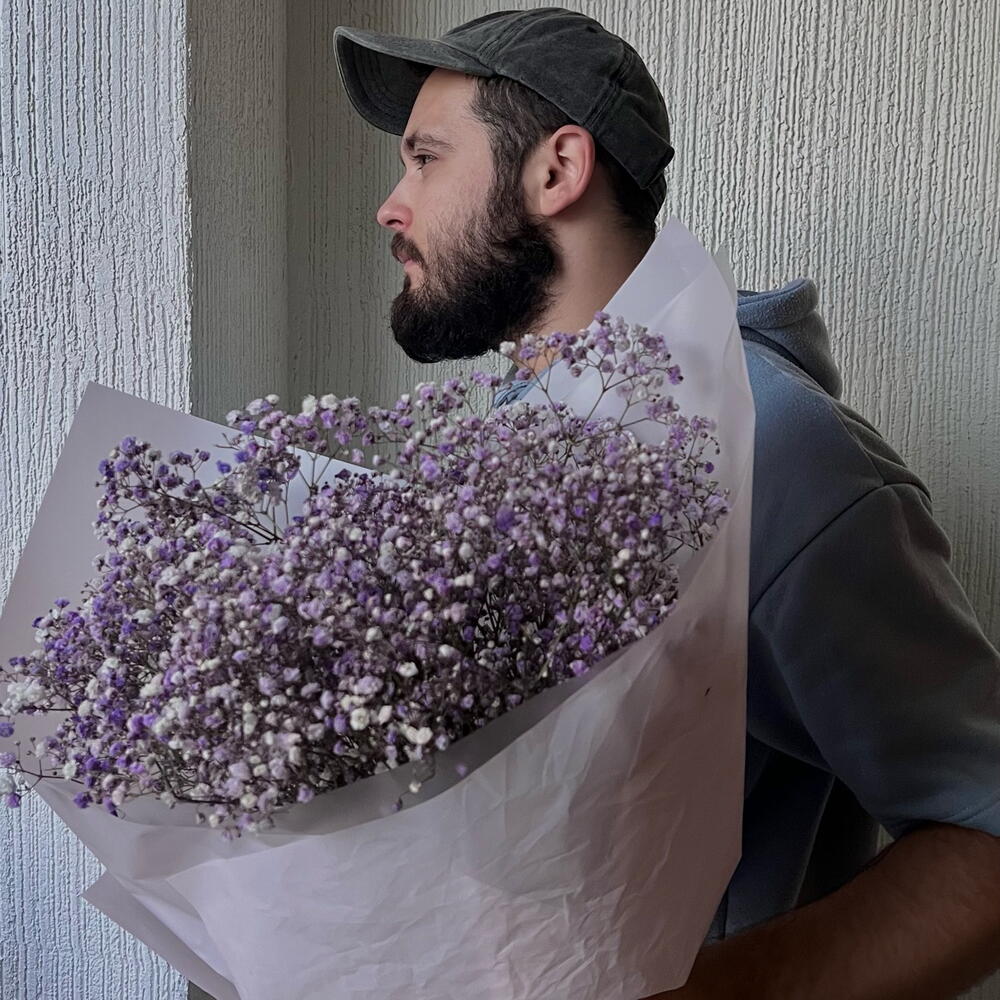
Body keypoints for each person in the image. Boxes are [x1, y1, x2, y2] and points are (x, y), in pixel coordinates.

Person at [333, 8, 1000, 997]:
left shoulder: (775, 450)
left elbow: (985, 836)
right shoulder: (512, 440)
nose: (393, 206)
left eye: (426, 159)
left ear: (557, 170)